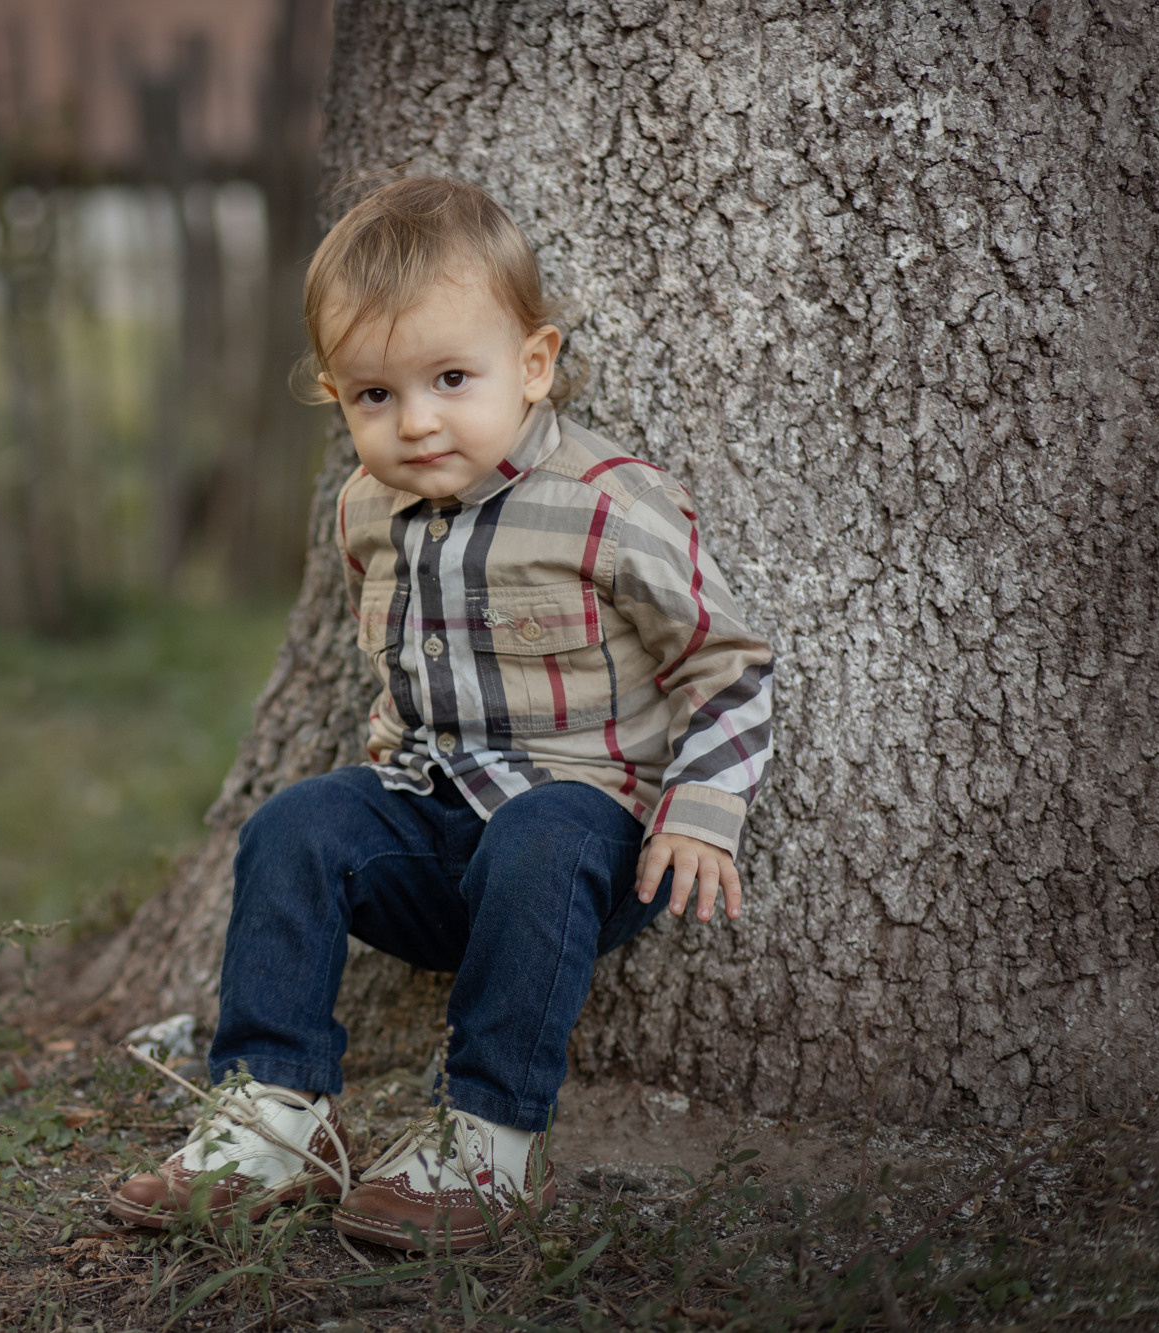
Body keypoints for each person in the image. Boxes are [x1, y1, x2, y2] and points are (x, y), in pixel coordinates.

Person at [108, 176, 775, 1251]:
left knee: (540, 832)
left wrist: (701, 807)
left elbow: (727, 662)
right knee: (295, 825)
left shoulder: (604, 499)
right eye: (373, 395)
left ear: (533, 364)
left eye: (450, 379)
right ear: (333, 394)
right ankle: (276, 1116)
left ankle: (486, 1142)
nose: (414, 422)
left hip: (581, 844)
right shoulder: (366, 509)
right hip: (431, 829)